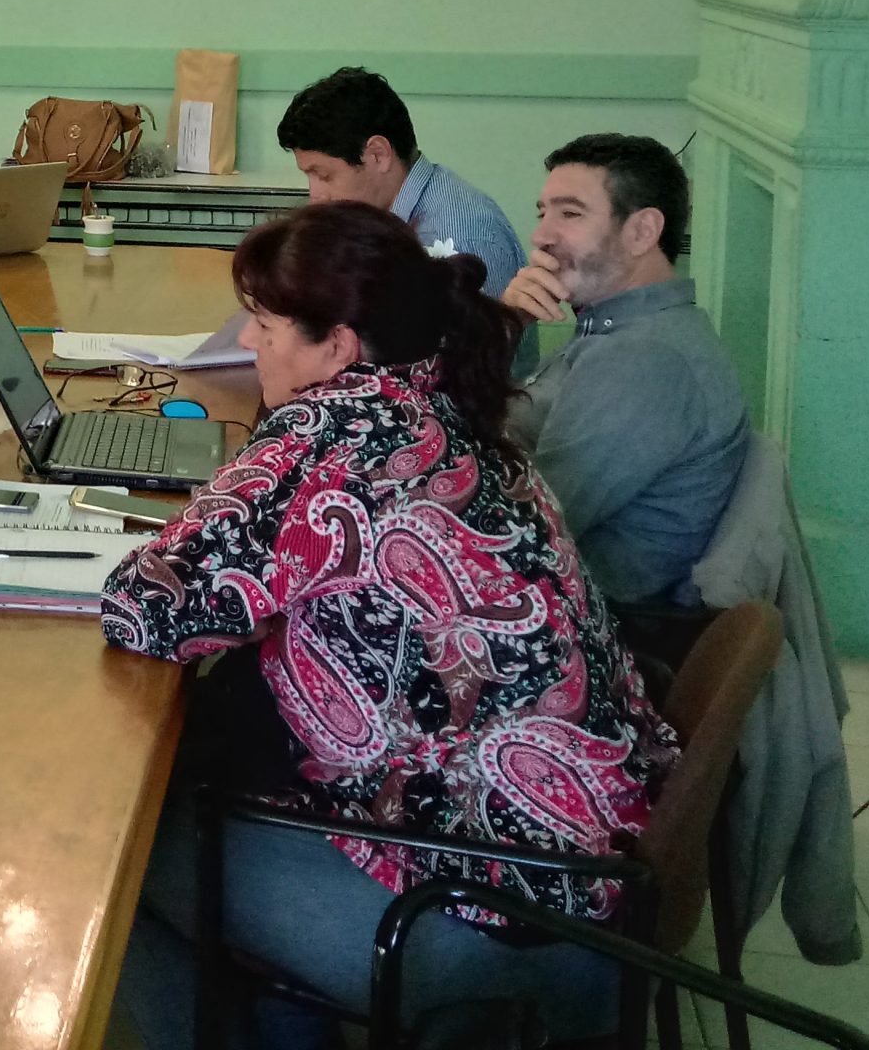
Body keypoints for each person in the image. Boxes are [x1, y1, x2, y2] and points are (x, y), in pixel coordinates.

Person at [100, 202, 674, 1049]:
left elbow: (144, 608)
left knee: (110, 854)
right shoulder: (450, 403)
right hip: (586, 877)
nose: (250, 344)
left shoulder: (334, 427)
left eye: (263, 324)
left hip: (483, 918)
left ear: (336, 347)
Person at [503, 133, 748, 608]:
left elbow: (531, 524)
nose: (542, 235)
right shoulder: (615, 330)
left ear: (642, 231)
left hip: (572, 627)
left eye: (570, 214)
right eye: (543, 212)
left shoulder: (642, 359)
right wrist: (504, 324)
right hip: (550, 598)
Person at [276, 66, 525, 293]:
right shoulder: (381, 222)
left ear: (378, 154)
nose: (316, 197)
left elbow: (468, 342)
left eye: (323, 176)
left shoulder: (458, 238)